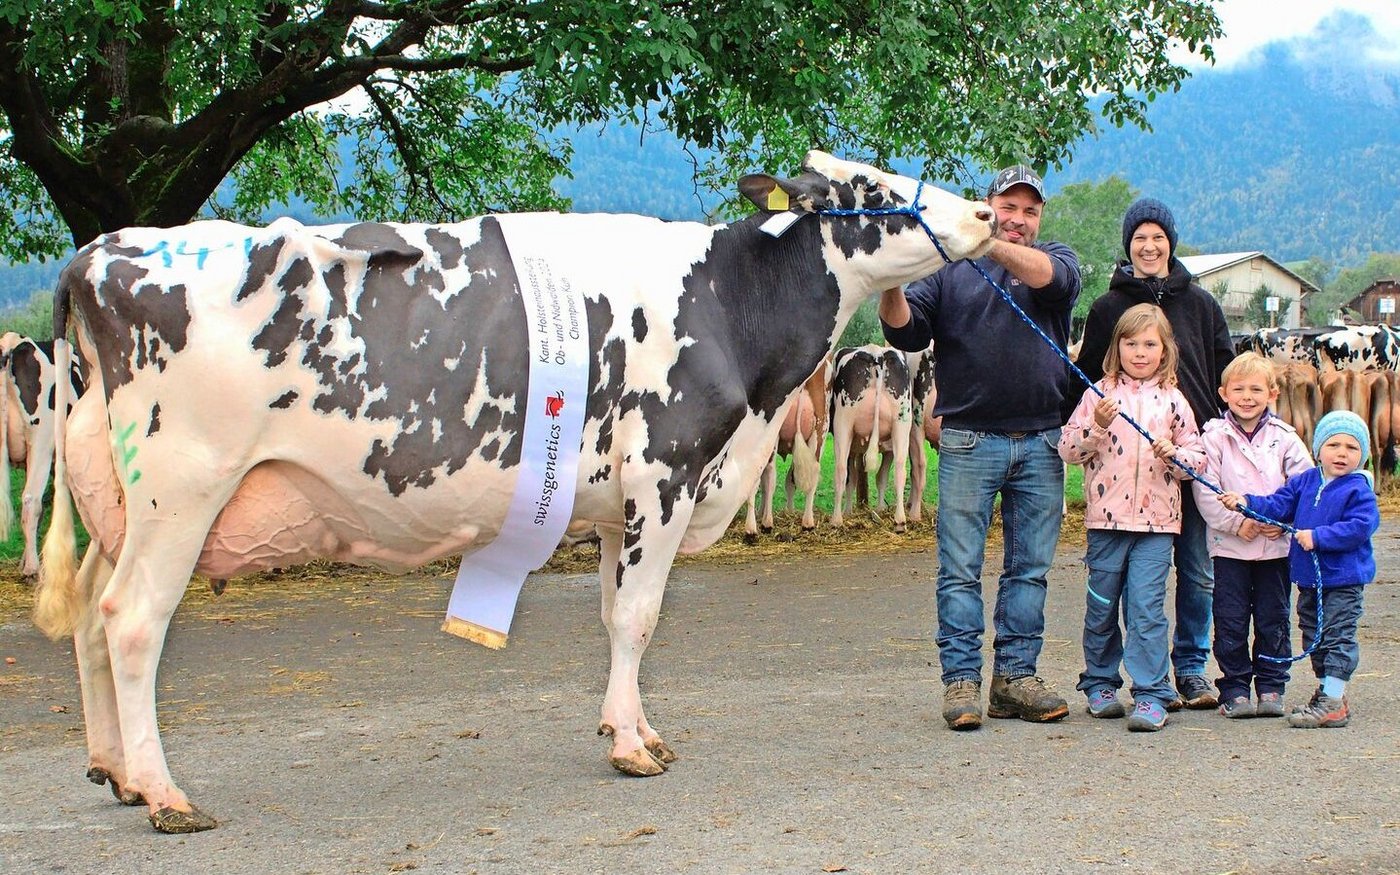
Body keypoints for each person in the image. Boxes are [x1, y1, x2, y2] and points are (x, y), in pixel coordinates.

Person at [879, 164, 1082, 730]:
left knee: (1030, 570)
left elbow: (1050, 278)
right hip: (968, 440)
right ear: (988, 203)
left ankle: (1015, 678)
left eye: (1029, 210)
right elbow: (905, 331)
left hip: (1043, 439)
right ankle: (962, 682)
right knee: (960, 569)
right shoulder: (946, 271)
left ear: (1040, 218)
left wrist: (987, 242)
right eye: (1008, 206)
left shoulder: (1057, 259)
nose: (1018, 219)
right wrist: (890, 276)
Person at [1073, 198, 1235, 711]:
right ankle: (1115, 680)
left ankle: (1189, 668)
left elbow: (1225, 369)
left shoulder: (1202, 304)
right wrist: (1089, 426)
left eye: (1157, 237)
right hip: (1117, 484)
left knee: (1197, 569)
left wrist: (1212, 441)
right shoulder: (1107, 307)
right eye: (1139, 238)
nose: (1149, 246)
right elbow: (1084, 379)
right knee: (1121, 589)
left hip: (1189, 459)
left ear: (1171, 242)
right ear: (1128, 246)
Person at [1058, 303, 1206, 732]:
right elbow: (1068, 450)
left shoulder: (1175, 402)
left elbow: (1197, 461)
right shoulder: (1098, 395)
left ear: (1164, 351)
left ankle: (1151, 692)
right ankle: (1100, 683)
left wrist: (1174, 455)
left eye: (1149, 344)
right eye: (1130, 343)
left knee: (1146, 609)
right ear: (1116, 347)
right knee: (1101, 606)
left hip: (1157, 527)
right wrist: (1097, 428)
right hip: (1106, 523)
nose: (1139, 352)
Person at [1217, 410, 1380, 729]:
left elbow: (1360, 528)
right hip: (1309, 580)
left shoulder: (1358, 490)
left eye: (1352, 448)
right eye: (1334, 445)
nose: (1342, 453)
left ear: (1362, 455)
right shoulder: (1307, 480)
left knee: (1337, 637)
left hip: (1343, 580)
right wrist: (1246, 502)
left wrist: (1318, 537)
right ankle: (1329, 693)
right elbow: (1279, 504)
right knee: (1314, 637)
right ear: (1318, 449)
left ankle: (1332, 699)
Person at [1192, 353, 1314, 718]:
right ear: (1223, 393)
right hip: (1230, 546)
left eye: (1256, 389)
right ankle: (1234, 687)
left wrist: (1286, 518)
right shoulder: (1213, 438)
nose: (1247, 396)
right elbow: (1205, 488)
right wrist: (1235, 524)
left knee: (1273, 617)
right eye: (1239, 389)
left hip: (1275, 546)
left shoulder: (1286, 439)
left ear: (1272, 394)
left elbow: (1304, 485)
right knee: (1229, 617)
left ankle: (1272, 685)